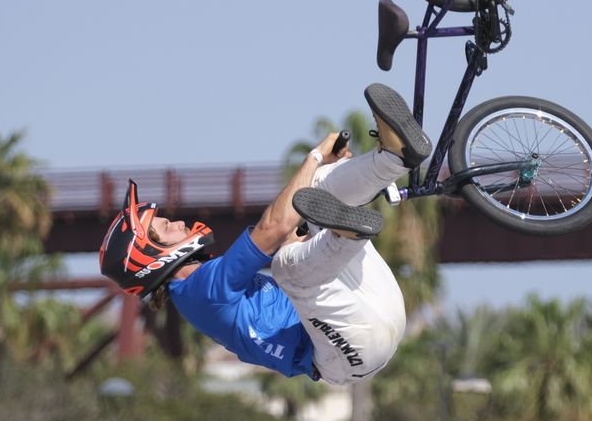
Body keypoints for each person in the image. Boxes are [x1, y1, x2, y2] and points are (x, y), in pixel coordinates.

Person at [99, 82, 433, 384]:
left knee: (314, 187)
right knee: (286, 261)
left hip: (374, 310)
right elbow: (273, 228)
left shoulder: (202, 285)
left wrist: (317, 170)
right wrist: (314, 156)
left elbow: (285, 233)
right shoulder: (200, 291)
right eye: (162, 229)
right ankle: (342, 234)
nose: (176, 223)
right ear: (149, 258)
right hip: (350, 353)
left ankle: (394, 159)